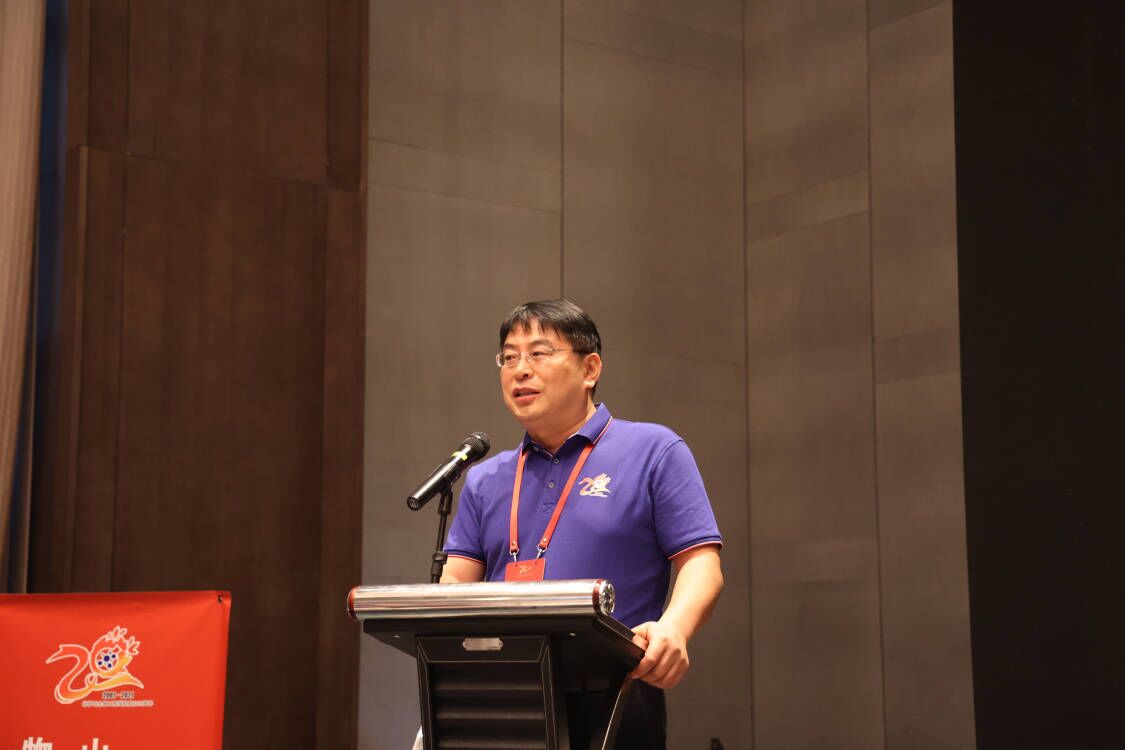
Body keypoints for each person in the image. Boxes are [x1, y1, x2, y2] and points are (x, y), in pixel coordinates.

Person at [441, 299, 724, 749]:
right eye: (509, 357)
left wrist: (674, 627)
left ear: (590, 369)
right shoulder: (485, 478)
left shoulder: (654, 450)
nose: (520, 370)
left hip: (613, 693)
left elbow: (702, 563)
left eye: (539, 353)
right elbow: (456, 582)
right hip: (501, 694)